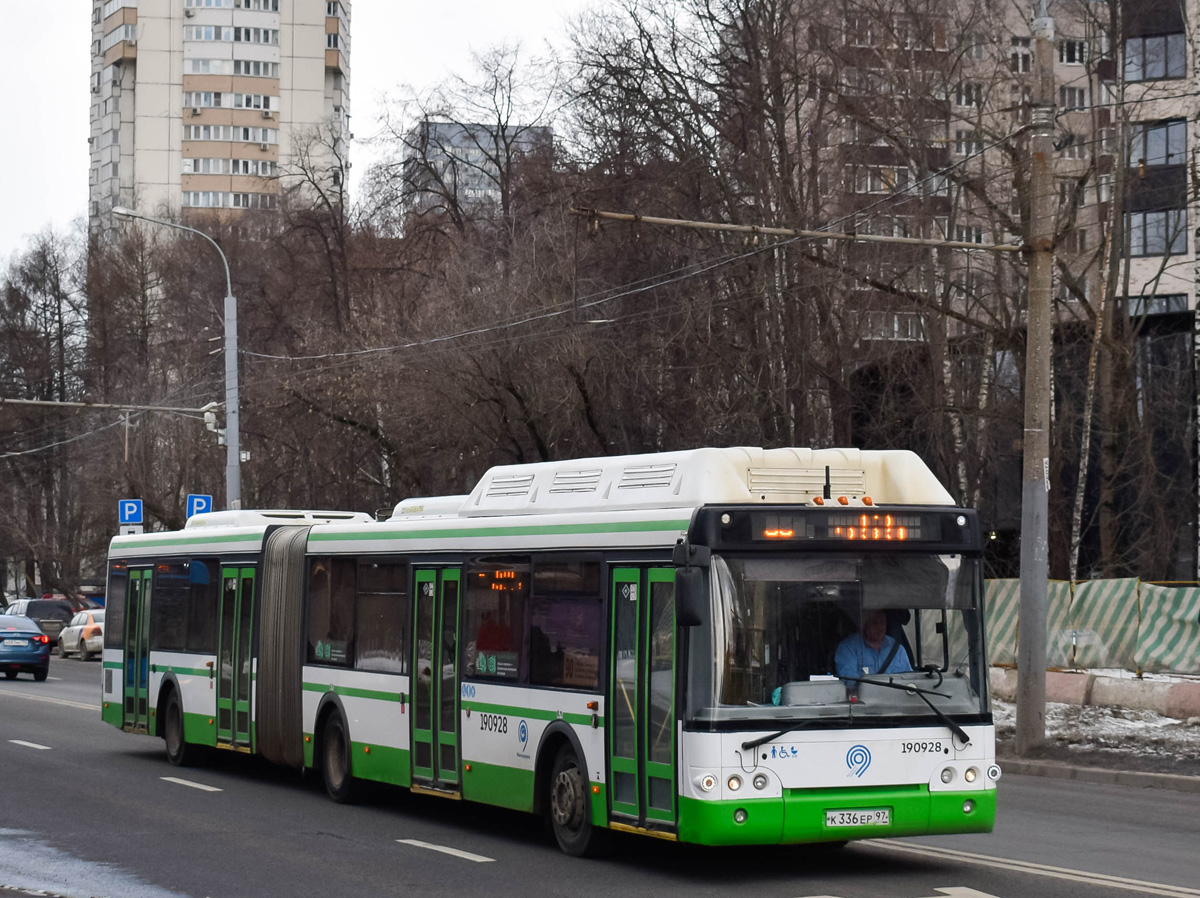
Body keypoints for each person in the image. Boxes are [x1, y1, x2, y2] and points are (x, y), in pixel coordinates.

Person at [835, 609, 913, 679]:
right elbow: (849, 680)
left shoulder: (897, 649)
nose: (879, 627)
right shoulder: (848, 647)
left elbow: (907, 678)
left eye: (882, 622)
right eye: (874, 623)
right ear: (864, 624)